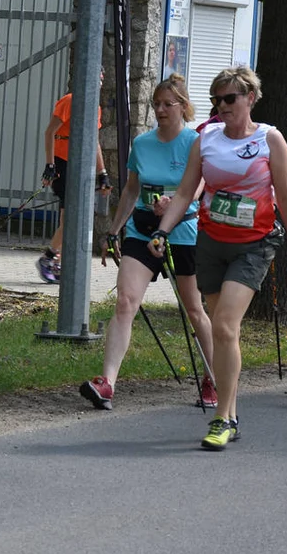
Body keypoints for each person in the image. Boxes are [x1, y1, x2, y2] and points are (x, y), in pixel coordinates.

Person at [150, 65, 287, 450]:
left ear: (250, 99)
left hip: (254, 245)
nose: (221, 106)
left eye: (229, 98)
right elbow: (188, 190)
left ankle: (222, 417)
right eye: (216, 100)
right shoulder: (205, 138)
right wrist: (163, 231)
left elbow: (286, 198)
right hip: (211, 242)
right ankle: (232, 411)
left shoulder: (270, 140)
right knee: (227, 333)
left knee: (224, 326)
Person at [80, 74, 216, 410]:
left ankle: (214, 377)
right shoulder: (142, 144)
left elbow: (197, 187)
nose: (160, 110)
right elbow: (131, 190)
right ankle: (107, 383)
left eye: (167, 104)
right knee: (125, 301)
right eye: (156, 104)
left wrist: (174, 204)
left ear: (183, 107)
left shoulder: (194, 143)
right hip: (142, 232)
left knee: (195, 310)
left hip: (182, 233)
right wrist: (114, 230)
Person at [37, 70, 112, 283]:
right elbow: (49, 132)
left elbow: (94, 140)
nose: (97, 83)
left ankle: (54, 259)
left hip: (79, 165)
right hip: (62, 162)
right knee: (70, 217)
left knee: (70, 218)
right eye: (93, 78)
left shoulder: (94, 108)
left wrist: (103, 173)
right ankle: (50, 258)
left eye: (100, 79)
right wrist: (50, 165)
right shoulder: (71, 100)